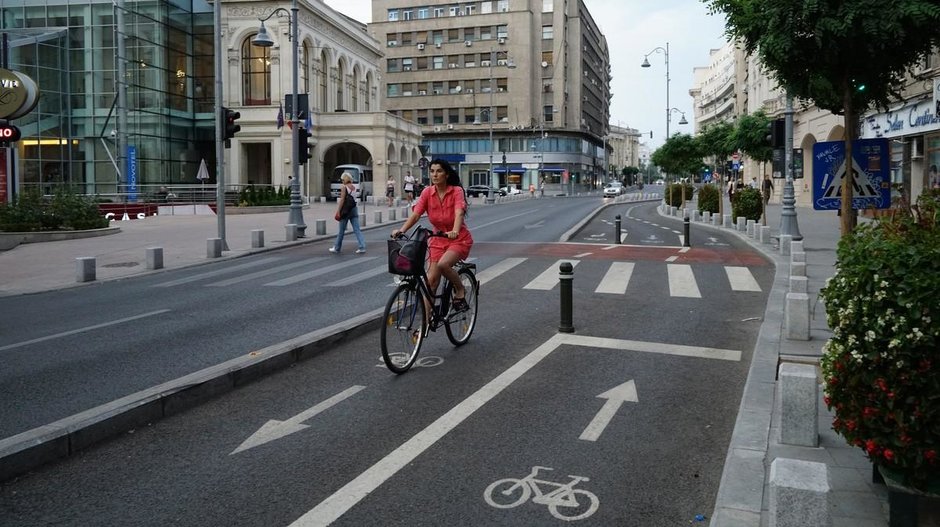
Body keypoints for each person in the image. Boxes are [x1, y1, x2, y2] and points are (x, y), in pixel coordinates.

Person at [392, 159, 472, 312]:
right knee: (431, 283)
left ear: (446, 174)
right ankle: (425, 327)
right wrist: (402, 230)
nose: (435, 175)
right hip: (437, 240)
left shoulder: (456, 191)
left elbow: (459, 212)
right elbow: (416, 215)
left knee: (443, 264)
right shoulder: (427, 192)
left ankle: (460, 289)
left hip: (458, 238)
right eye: (432, 171)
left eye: (439, 171)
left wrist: (454, 231)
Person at [329, 172, 366, 254]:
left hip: (345, 211)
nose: (342, 181)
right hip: (354, 209)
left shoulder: (344, 187)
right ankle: (362, 247)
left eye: (342, 179)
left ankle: (337, 248)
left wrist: (338, 211)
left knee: (341, 231)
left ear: (345, 179)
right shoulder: (353, 187)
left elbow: (342, 200)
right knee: (357, 230)